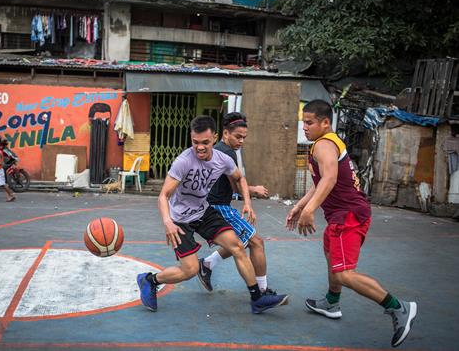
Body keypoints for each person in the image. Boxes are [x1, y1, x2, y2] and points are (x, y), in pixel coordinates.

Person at [286, 100, 417, 348]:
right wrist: (301, 205)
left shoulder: (324, 144)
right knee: (330, 255)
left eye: (310, 122)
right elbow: (320, 181)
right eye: (303, 122)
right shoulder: (329, 143)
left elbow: (331, 178)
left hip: (348, 216)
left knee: (345, 273)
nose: (305, 127)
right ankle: (332, 302)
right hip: (342, 215)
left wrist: (310, 210)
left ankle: (398, 308)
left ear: (326, 122)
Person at [137, 116, 288, 314]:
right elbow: (163, 195)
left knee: (237, 246)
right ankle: (149, 280)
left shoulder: (222, 159)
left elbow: (239, 178)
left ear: (215, 138)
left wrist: (248, 203)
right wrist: (167, 222)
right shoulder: (183, 162)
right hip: (180, 220)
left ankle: (257, 298)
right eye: (195, 142)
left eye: (205, 143)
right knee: (189, 270)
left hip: (203, 211)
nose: (200, 147)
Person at [197, 112, 285, 298]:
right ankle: (261, 291)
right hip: (219, 207)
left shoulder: (220, 149)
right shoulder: (227, 152)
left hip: (211, 206)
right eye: (238, 137)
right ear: (225, 133)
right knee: (256, 242)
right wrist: (254, 191)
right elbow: (235, 185)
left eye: (244, 137)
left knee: (238, 243)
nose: (241, 141)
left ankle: (206, 265)